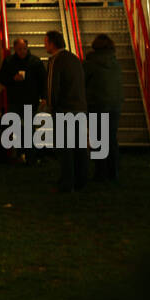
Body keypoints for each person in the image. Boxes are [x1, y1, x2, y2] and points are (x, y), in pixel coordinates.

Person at [44, 29, 88, 191]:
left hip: (64, 109)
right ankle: (81, 180)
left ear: (52, 43)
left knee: (65, 149)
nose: (44, 45)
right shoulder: (74, 59)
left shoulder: (55, 61)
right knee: (79, 147)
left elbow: (51, 87)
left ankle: (66, 183)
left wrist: (50, 105)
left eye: (45, 42)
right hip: (80, 108)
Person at [0, 37, 47, 164]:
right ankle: (20, 154)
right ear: (15, 49)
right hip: (15, 100)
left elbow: (43, 80)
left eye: (24, 48)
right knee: (16, 128)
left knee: (29, 128)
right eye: (20, 49)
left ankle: (30, 156)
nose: (22, 51)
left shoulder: (35, 62)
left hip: (30, 100)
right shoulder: (9, 61)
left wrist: (44, 97)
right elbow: (1, 77)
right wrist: (12, 79)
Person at [84, 33, 122, 183]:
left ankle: (100, 173)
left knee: (98, 140)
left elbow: (83, 81)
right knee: (111, 139)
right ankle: (113, 172)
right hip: (115, 104)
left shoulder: (90, 63)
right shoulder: (115, 62)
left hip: (96, 104)